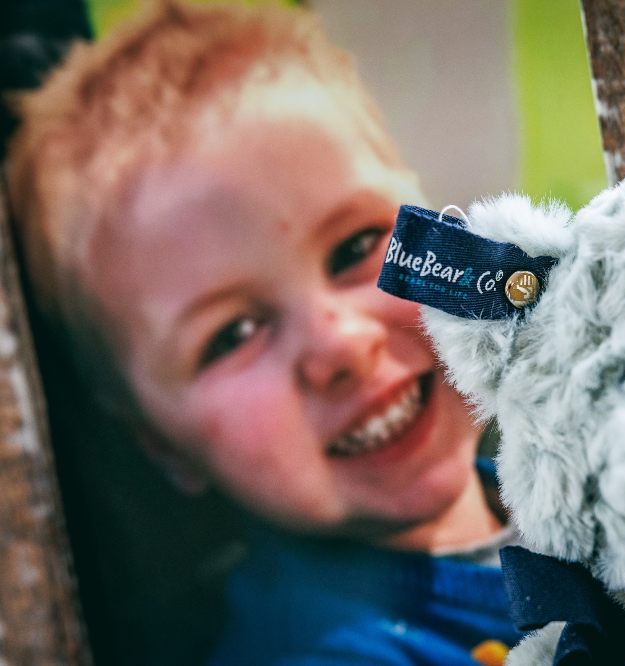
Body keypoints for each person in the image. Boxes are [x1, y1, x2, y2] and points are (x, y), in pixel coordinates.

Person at [7, 2, 519, 664]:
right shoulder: (316, 653)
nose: (339, 344)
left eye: (356, 246)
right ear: (163, 446)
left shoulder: (568, 474)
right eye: (232, 334)